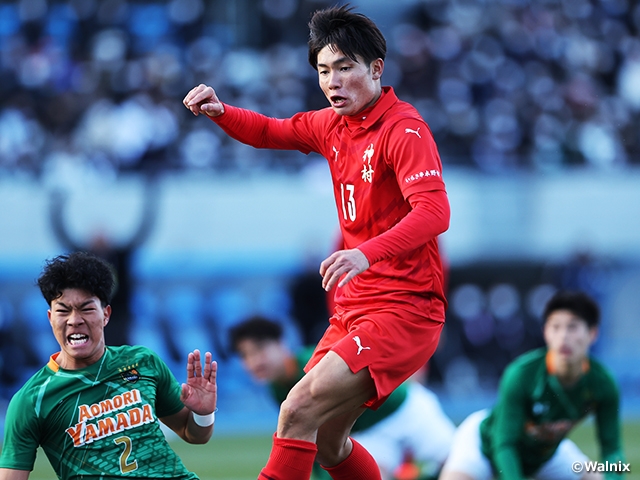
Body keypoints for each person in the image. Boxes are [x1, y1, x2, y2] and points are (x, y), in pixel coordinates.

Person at [184, 5, 450, 479]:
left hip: (405, 308)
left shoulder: (404, 131)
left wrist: (366, 252)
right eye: (324, 70)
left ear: (375, 69)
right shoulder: (332, 126)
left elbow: (434, 212)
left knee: (296, 409)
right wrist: (221, 113)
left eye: (345, 67)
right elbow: (270, 131)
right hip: (356, 308)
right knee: (328, 438)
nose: (333, 81)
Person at [0, 252, 218, 480]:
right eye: (63, 311)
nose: (75, 320)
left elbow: (193, 434)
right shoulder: (31, 401)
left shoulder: (143, 361)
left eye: (86, 309)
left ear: (106, 315)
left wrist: (203, 414)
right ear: (50, 318)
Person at [230, 316, 456, 480]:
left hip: (405, 410)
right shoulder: (276, 388)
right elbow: (312, 436)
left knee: (460, 466)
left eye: (259, 349)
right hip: (363, 433)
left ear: (281, 344)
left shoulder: (313, 364)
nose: (254, 361)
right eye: (245, 355)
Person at [439, 291, 627, 480]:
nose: (563, 336)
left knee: (596, 477)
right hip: (484, 447)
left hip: (545, 455)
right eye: (556, 327)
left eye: (572, 327)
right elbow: (505, 444)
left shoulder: (603, 383)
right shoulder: (523, 373)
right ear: (546, 332)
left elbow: (612, 449)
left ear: (592, 333)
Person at [48, 178, 159, 347]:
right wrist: (57, 205)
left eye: (103, 235)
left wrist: (151, 197)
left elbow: (143, 231)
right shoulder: (83, 258)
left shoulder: (121, 257)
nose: (100, 239)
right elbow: (62, 234)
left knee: (119, 353)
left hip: (119, 315)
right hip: (89, 317)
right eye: (96, 235)